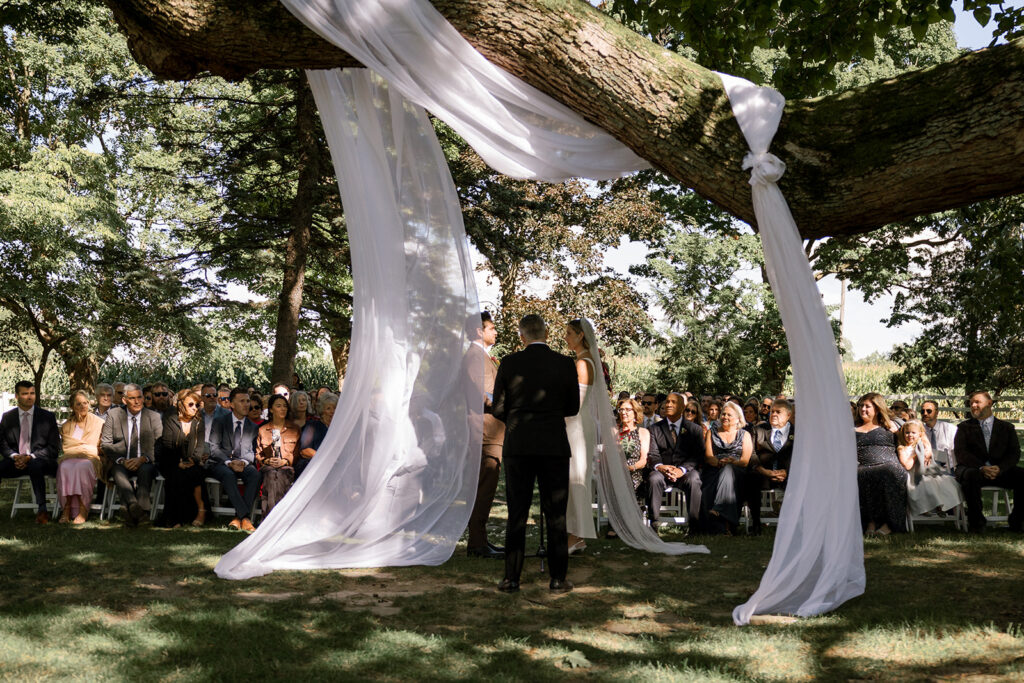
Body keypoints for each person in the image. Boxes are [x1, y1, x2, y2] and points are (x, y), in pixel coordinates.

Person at [492, 314, 579, 593]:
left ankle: (511, 579)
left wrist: (517, 420)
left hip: (519, 445)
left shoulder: (509, 363)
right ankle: (558, 579)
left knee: (517, 512)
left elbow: (497, 408)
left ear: (522, 337)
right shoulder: (565, 363)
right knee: (556, 513)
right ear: (546, 333)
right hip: (554, 445)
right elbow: (573, 407)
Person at [463, 312, 506, 559]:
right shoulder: (474, 357)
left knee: (486, 488)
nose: (496, 332)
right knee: (484, 488)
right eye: (492, 328)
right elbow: (484, 396)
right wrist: (512, 405)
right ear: (479, 331)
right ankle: (477, 543)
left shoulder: (481, 357)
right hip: (485, 432)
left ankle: (481, 540)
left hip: (490, 431)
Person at [953, 390, 1024, 533]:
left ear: (989, 403)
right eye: (971, 403)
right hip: (974, 470)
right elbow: (961, 453)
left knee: (1022, 475)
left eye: (977, 402)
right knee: (971, 476)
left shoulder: (1007, 428)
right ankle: (977, 523)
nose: (973, 405)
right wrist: (981, 467)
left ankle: (1017, 522)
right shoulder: (964, 427)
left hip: (1000, 471)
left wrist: (1000, 468)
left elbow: (1014, 453)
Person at [100, 384, 162, 526]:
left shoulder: (153, 416)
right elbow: (106, 444)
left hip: (145, 460)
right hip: (122, 460)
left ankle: (129, 508)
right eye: (132, 398)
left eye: (140, 397)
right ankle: (137, 508)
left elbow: (160, 444)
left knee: (145, 470)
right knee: (117, 471)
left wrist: (143, 458)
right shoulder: (114, 415)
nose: (137, 401)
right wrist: (122, 460)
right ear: (124, 400)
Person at [0, 381, 60, 523]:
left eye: (32, 393)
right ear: (17, 396)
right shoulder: (8, 417)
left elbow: (53, 448)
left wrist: (30, 457)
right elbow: (1, 444)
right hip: (16, 461)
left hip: (42, 461)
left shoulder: (47, 417)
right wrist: (15, 456)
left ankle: (42, 510)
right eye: (25, 394)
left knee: (34, 465)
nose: (29, 397)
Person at [646, 392, 706, 532]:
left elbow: (698, 455)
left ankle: (694, 526)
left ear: (682, 407)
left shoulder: (694, 429)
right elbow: (653, 454)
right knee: (653, 479)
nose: (668, 404)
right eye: (667, 401)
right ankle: (654, 524)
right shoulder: (654, 429)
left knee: (694, 479)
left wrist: (682, 470)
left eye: (673, 402)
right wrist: (661, 467)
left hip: (685, 472)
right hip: (662, 471)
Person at [564, 318, 597, 554]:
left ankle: (577, 534)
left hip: (576, 426)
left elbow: (575, 403)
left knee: (576, 479)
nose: (565, 338)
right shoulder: (584, 360)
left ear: (580, 335)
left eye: (569, 333)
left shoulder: (583, 364)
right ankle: (576, 534)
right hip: (576, 424)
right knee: (572, 478)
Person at [854, 392, 906, 535]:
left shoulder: (890, 425)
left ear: (877, 409)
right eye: (861, 406)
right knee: (862, 474)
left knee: (886, 472)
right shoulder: (853, 428)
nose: (863, 409)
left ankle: (889, 524)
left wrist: (897, 432)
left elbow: (913, 437)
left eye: (867, 406)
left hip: (889, 464)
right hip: (863, 465)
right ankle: (870, 522)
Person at [208, 388, 260, 531]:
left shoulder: (253, 427)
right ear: (231, 404)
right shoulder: (220, 422)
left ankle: (238, 518)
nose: (247, 404)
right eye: (242, 401)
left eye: (248, 401)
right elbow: (214, 448)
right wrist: (229, 462)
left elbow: (253, 451)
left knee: (255, 475)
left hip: (242, 463)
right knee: (228, 475)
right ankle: (245, 517)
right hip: (222, 462)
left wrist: (243, 462)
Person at [156, 389, 208, 528]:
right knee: (175, 475)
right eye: (191, 404)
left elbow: (200, 446)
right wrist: (177, 462)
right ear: (181, 404)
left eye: (197, 405)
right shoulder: (170, 419)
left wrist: (193, 460)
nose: (194, 408)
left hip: (192, 461)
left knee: (196, 473)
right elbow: (167, 444)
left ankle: (201, 511)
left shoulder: (199, 421)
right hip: (170, 459)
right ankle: (174, 518)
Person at [701, 401, 753, 535]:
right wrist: (720, 463)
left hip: (738, 472)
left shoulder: (745, 435)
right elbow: (709, 457)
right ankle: (726, 526)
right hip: (715, 469)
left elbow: (745, 461)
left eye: (729, 415)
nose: (725, 417)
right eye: (723, 414)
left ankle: (718, 510)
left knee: (729, 470)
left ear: (738, 419)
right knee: (725, 472)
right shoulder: (711, 432)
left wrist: (732, 462)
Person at [748, 398, 795, 534]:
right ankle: (756, 523)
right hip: (763, 474)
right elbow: (752, 454)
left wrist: (787, 472)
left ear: (788, 415)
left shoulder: (798, 433)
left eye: (778, 412)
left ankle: (794, 525)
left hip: (789, 476)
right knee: (750, 478)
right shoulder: (759, 430)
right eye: (772, 411)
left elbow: (803, 456)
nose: (773, 414)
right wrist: (764, 471)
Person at [56, 390, 104, 524]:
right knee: (64, 467)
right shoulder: (67, 425)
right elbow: (67, 446)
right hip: (70, 457)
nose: (83, 406)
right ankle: (66, 508)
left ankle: (83, 508)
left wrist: (84, 449)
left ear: (89, 404)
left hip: (91, 458)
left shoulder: (99, 423)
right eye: (78, 404)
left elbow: (99, 446)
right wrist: (83, 448)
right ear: (72, 406)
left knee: (82, 466)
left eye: (85, 403)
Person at [897, 420, 963, 516]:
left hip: (928, 473)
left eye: (913, 432)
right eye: (907, 432)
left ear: (919, 434)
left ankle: (941, 507)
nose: (910, 435)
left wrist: (924, 450)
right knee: (927, 483)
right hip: (913, 476)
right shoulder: (902, 448)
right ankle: (926, 509)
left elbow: (929, 460)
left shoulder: (921, 445)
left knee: (945, 482)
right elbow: (907, 466)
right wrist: (917, 454)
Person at [255, 394, 300, 516]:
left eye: (285, 406)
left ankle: (269, 517)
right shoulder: (263, 430)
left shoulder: (294, 429)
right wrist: (267, 461)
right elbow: (258, 454)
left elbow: (297, 454)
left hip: (286, 467)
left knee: (280, 474)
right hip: (268, 467)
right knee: (271, 474)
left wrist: (285, 461)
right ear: (271, 409)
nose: (283, 409)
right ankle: (279, 517)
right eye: (278, 406)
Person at [297, 391, 337, 479]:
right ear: (322, 411)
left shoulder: (338, 428)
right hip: (313, 465)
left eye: (335, 408)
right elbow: (304, 450)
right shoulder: (312, 426)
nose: (332, 412)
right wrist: (324, 459)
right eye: (328, 408)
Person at [617, 397, 650, 492]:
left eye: (627, 410)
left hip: (634, 473)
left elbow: (643, 460)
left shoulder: (642, 432)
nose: (623, 412)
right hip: (615, 472)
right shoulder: (614, 431)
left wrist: (630, 468)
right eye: (621, 410)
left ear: (635, 413)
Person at [920, 400, 957, 471]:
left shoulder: (949, 429)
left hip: (948, 469)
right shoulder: (919, 431)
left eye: (929, 411)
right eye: (922, 411)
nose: (925, 413)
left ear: (937, 412)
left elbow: (955, 452)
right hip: (926, 469)